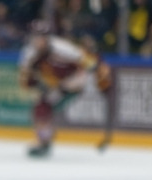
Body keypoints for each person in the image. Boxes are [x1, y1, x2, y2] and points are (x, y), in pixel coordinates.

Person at [18, 19, 112, 157]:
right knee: (41, 108)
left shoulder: (62, 48)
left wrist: (100, 72)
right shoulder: (29, 54)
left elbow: (87, 60)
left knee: (43, 105)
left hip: (75, 80)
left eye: (41, 37)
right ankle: (44, 139)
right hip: (57, 84)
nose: (38, 41)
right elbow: (25, 79)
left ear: (47, 38)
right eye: (35, 37)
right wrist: (34, 82)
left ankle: (44, 140)